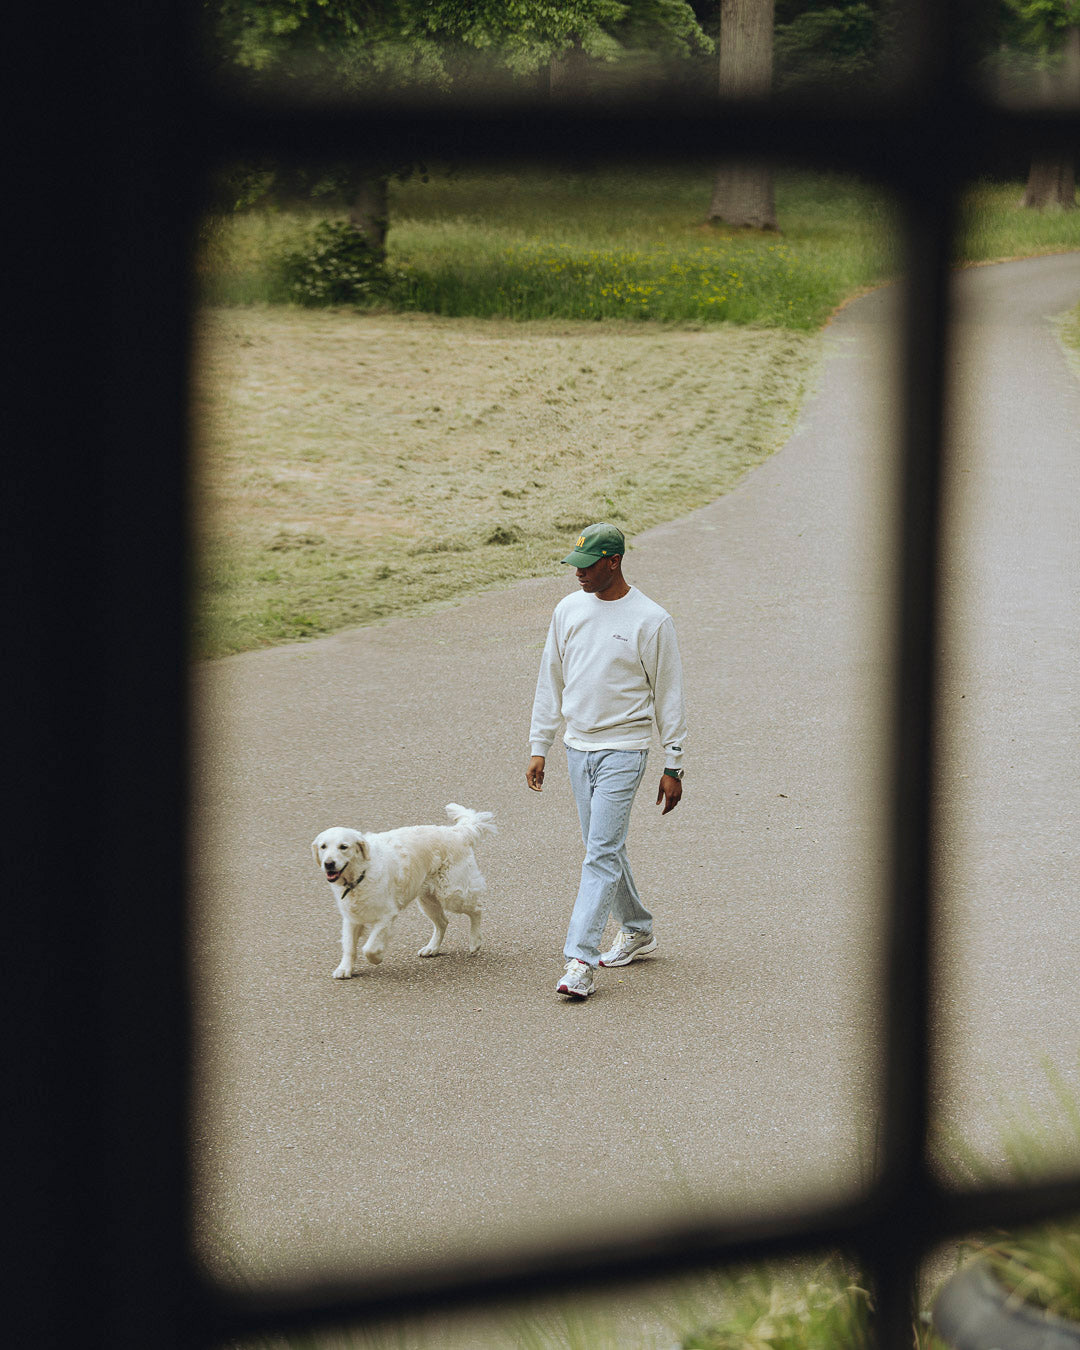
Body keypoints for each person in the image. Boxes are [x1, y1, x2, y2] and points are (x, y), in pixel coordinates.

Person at [526, 522, 687, 1000]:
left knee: (598, 853)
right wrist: (541, 746)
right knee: (605, 849)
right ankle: (637, 927)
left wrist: (673, 763)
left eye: (587, 566)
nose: (578, 574)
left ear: (613, 561)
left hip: (625, 748)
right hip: (578, 747)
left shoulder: (651, 619)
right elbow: (549, 680)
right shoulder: (568, 609)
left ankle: (580, 959)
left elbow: (669, 695)